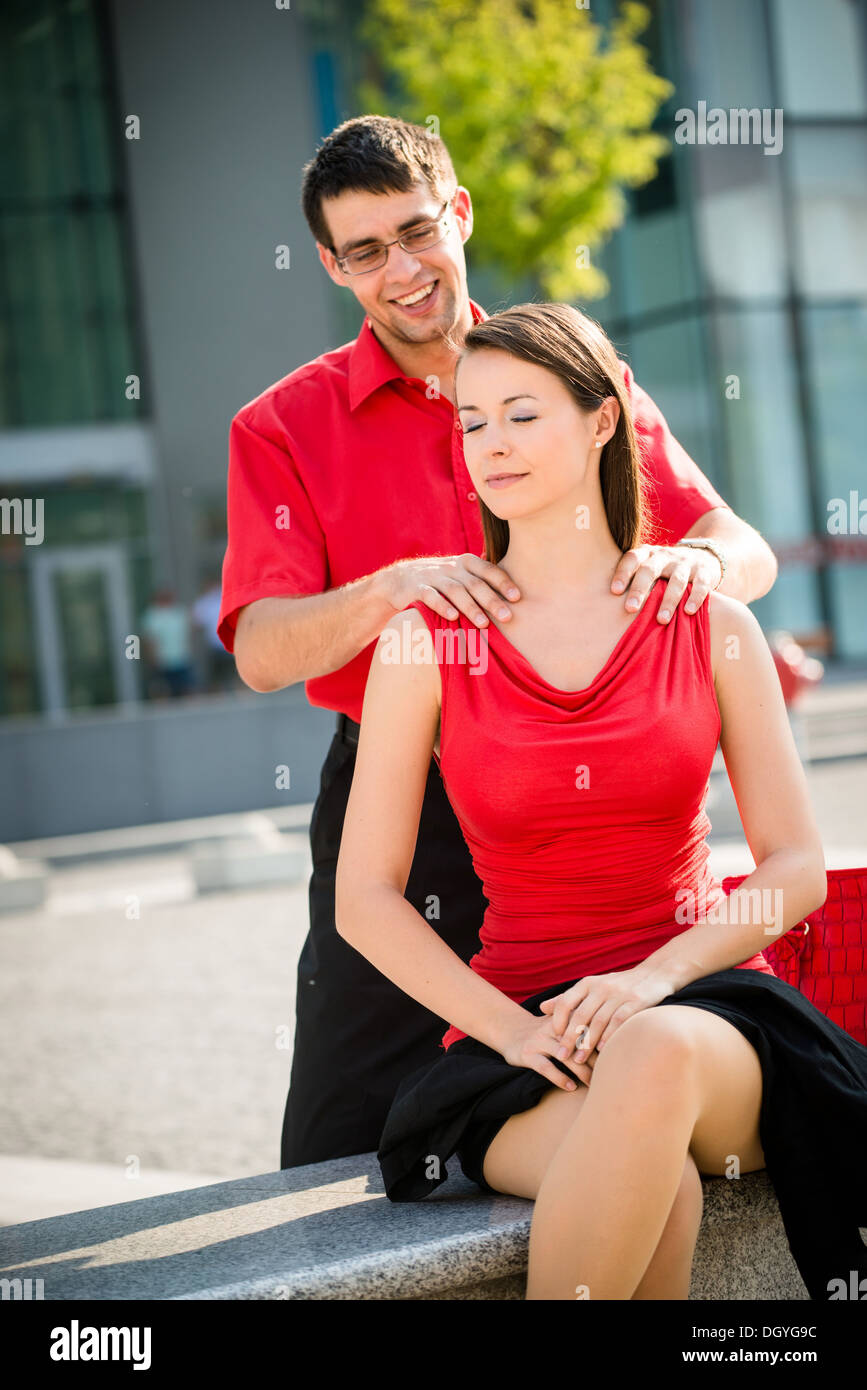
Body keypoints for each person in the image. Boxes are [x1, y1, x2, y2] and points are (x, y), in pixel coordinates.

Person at [217, 115, 778, 1171]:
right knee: (340, 1128)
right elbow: (261, 648)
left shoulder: (567, 373)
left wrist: (703, 571)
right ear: (334, 267)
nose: (404, 270)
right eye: (367, 252)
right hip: (408, 806)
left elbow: (736, 541)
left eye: (417, 232)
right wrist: (390, 590)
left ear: (460, 215)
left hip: (592, 802)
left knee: (622, 1084)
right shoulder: (282, 426)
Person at [334, 301, 867, 1302]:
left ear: (603, 420)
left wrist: (650, 981)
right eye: (473, 421)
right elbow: (363, 895)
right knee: (653, 1185)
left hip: (702, 1011)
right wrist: (510, 1030)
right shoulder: (428, 638)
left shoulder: (708, 619)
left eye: (523, 414)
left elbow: (794, 864)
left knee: (652, 1053)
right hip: (525, 1036)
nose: (491, 443)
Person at [140, 589, 194, 698]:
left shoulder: (179, 612)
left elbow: (188, 632)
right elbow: (149, 640)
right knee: (164, 692)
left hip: (181, 657)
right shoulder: (152, 616)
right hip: (162, 660)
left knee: (185, 689)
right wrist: (152, 658)